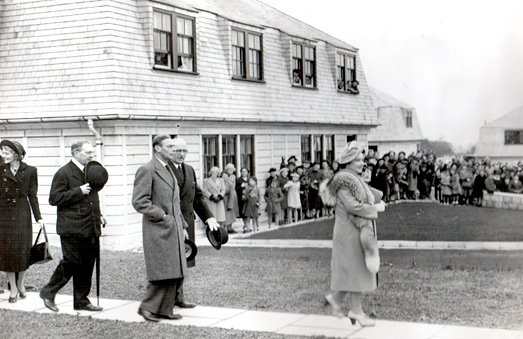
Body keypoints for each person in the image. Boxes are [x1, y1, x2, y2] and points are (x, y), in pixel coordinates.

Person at [320, 141, 386, 327]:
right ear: (348, 161)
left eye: (362, 159)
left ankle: (338, 300)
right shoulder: (345, 181)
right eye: (358, 160)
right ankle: (355, 311)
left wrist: (376, 197)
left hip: (354, 230)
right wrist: (375, 207)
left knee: (353, 269)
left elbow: (364, 194)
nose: (361, 163)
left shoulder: (352, 178)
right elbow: (353, 206)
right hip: (349, 231)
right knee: (355, 269)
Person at [39, 140, 105, 312]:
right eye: (88, 153)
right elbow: (54, 198)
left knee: (87, 263)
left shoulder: (90, 171)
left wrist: (100, 216)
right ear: (76, 153)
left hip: (90, 225)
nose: (92, 156)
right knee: (72, 262)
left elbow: (92, 198)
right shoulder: (63, 173)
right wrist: (78, 191)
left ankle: (81, 300)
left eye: (93, 153)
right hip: (72, 227)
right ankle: (48, 292)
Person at [132, 135, 189, 322]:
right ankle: (147, 308)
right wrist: (162, 216)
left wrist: (182, 224)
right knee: (161, 270)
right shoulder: (147, 169)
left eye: (174, 146)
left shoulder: (168, 169)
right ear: (157, 148)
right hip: (158, 228)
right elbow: (140, 202)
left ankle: (165, 310)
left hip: (173, 228)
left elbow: (174, 201)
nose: (173, 150)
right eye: (169, 146)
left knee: (172, 270)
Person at [167, 137, 218, 309]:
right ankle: (167, 299)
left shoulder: (189, 170)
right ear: (169, 149)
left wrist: (208, 217)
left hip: (188, 221)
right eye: (177, 150)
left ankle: (178, 297)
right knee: (169, 262)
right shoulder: (162, 170)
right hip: (169, 223)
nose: (181, 154)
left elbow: (197, 197)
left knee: (184, 260)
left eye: (184, 151)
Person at [0, 140, 45, 303]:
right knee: (7, 253)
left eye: (6, 152)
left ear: (16, 154)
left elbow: (32, 196)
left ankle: (20, 285)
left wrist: (38, 217)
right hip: (4, 215)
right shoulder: (1, 170)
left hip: (22, 214)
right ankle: (12, 289)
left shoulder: (31, 171)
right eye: (2, 151)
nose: (3, 155)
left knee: (23, 251)